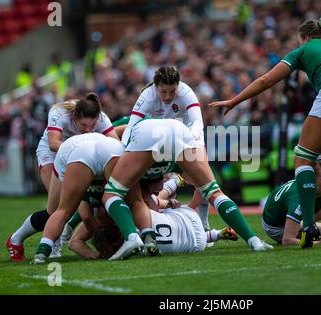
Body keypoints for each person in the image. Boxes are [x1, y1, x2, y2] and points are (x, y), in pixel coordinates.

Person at [210, 17, 321, 248]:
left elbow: (266, 80)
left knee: (303, 160)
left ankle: (308, 227)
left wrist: (235, 100)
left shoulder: (304, 49)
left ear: (305, 38)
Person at [99, 118, 273, 261]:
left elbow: (113, 134)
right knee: (212, 191)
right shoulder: (178, 109)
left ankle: (140, 236)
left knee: (122, 196)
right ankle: (253, 240)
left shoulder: (138, 120)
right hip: (181, 137)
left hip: (147, 150)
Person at [7, 93, 119, 262]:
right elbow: (53, 143)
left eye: (92, 126)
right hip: (52, 154)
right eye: (83, 125)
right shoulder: (59, 113)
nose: (88, 130)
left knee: (71, 205)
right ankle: (16, 239)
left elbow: (116, 143)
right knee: (56, 208)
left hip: (81, 156)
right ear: (74, 117)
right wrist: (79, 145)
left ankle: (55, 241)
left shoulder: (101, 117)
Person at [121, 66, 212, 232]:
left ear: (178, 85)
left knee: (204, 181)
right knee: (147, 186)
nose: (168, 96)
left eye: (172, 91)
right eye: (163, 92)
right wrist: (123, 151)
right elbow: (130, 127)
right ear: (156, 87)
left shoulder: (186, 92)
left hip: (188, 137)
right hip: (159, 140)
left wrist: (190, 142)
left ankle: (203, 224)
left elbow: (197, 123)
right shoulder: (147, 96)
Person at [68, 176, 239, 259]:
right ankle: (180, 184)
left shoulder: (131, 251)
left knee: (160, 209)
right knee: (155, 203)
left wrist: (97, 256)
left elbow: (74, 243)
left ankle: (214, 234)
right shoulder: (125, 213)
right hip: (187, 219)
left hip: (197, 244)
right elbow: (156, 202)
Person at [29, 133, 124, 264]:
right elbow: (85, 217)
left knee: (63, 210)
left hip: (80, 149)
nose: (103, 213)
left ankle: (42, 252)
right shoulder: (115, 213)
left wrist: (97, 253)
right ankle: (140, 237)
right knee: (60, 210)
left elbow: (85, 219)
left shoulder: (95, 219)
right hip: (91, 148)